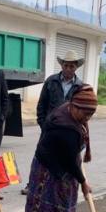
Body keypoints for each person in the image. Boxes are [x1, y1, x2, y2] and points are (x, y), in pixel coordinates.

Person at [23, 85, 98, 212]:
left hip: (61, 162)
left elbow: (71, 156)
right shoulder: (66, 127)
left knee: (68, 204)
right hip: (51, 169)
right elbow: (70, 162)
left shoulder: (69, 110)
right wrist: (83, 181)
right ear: (74, 106)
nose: (87, 118)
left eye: (90, 114)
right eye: (85, 114)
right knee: (59, 207)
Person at [21, 49, 85, 195]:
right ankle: (32, 184)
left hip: (68, 132)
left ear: (76, 67)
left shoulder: (80, 86)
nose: (68, 69)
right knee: (41, 155)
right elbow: (41, 105)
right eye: (66, 65)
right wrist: (44, 125)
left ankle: (58, 186)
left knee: (67, 158)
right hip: (49, 129)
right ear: (62, 65)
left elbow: (82, 112)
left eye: (72, 66)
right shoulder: (51, 81)